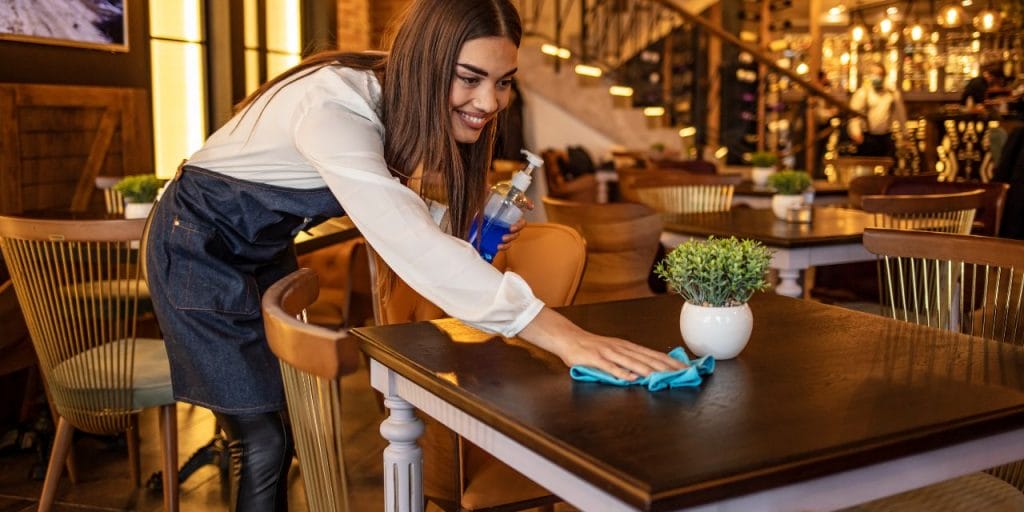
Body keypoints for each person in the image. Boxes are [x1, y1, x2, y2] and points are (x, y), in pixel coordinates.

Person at [144, 0, 684, 510]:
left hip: (259, 245)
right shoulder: (334, 108)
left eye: (502, 83)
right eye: (469, 79)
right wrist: (567, 337)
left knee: (275, 427)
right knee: (262, 440)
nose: (490, 103)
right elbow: (407, 240)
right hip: (195, 244)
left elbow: (391, 203)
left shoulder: (388, 89)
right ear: (426, 60)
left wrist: (453, 224)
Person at [847, 62, 907, 158]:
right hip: (867, 137)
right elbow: (854, 115)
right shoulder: (863, 93)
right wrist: (856, 132)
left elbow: (901, 114)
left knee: (886, 168)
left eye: (880, 74)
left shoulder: (891, 94)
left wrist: (904, 134)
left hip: (886, 137)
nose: (877, 77)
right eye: (874, 74)